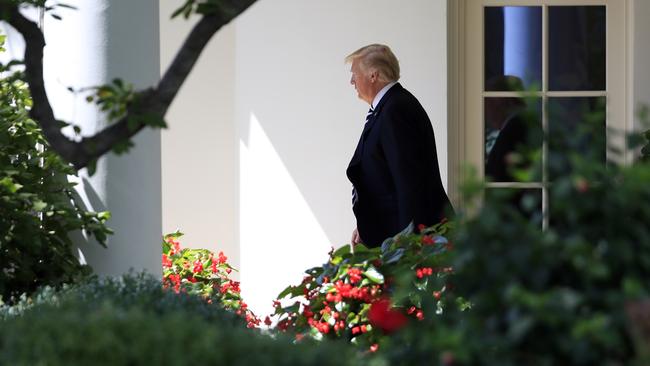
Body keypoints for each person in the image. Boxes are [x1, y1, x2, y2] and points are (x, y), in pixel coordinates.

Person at [345, 44, 453, 248]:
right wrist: (366, 224)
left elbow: (409, 182)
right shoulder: (388, 107)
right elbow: (381, 178)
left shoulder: (395, 110)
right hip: (391, 234)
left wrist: (406, 242)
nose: (352, 81)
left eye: (355, 74)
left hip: (404, 242)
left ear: (373, 75)